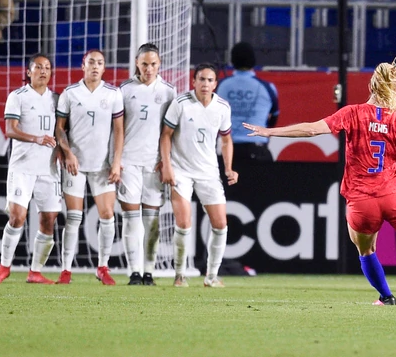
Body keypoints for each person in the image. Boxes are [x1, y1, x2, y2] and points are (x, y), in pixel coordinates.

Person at [244, 57, 396, 305]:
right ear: (393, 89)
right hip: (393, 195)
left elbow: (311, 130)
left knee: (366, 250)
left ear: (372, 87)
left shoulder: (352, 113)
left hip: (362, 200)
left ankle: (386, 297)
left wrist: (270, 132)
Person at [159, 63, 238, 288]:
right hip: (180, 170)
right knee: (184, 224)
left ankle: (211, 276)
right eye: (201, 79)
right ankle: (179, 274)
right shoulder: (181, 104)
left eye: (209, 80)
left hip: (208, 173)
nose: (205, 84)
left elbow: (226, 140)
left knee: (221, 224)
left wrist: (228, 168)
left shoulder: (222, 107)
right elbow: (166, 135)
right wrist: (167, 165)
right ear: (193, 82)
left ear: (215, 84)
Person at [0, 53, 61, 285]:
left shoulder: (58, 100)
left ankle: (35, 272)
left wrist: (64, 151)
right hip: (22, 167)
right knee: (17, 217)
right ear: (28, 72)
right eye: (38, 67)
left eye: (47, 67)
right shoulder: (17, 96)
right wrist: (36, 138)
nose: (43, 71)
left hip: (49, 169)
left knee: (49, 220)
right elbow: (10, 130)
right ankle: (4, 267)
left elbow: (62, 132)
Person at [55, 49, 124, 286]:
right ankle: (66, 270)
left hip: (102, 166)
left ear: (104, 68)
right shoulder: (70, 94)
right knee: (73, 217)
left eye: (100, 63)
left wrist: (116, 161)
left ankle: (102, 267)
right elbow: (59, 128)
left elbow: (119, 130)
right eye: (91, 62)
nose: (95, 66)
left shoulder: (114, 93)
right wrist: (68, 153)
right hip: (76, 165)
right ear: (82, 65)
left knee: (107, 215)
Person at [118, 43, 176, 286]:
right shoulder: (123, 90)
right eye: (144, 64)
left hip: (154, 164)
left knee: (151, 220)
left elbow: (171, 133)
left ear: (159, 64)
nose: (149, 68)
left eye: (153, 64)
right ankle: (134, 272)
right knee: (131, 218)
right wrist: (115, 161)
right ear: (137, 64)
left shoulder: (170, 92)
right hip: (128, 162)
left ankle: (149, 272)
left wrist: (167, 162)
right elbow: (117, 129)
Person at [217, 42, 279, 162]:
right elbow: (274, 117)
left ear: (232, 61)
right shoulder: (267, 87)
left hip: (229, 152)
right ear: (253, 61)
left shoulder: (221, 86)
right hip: (258, 150)